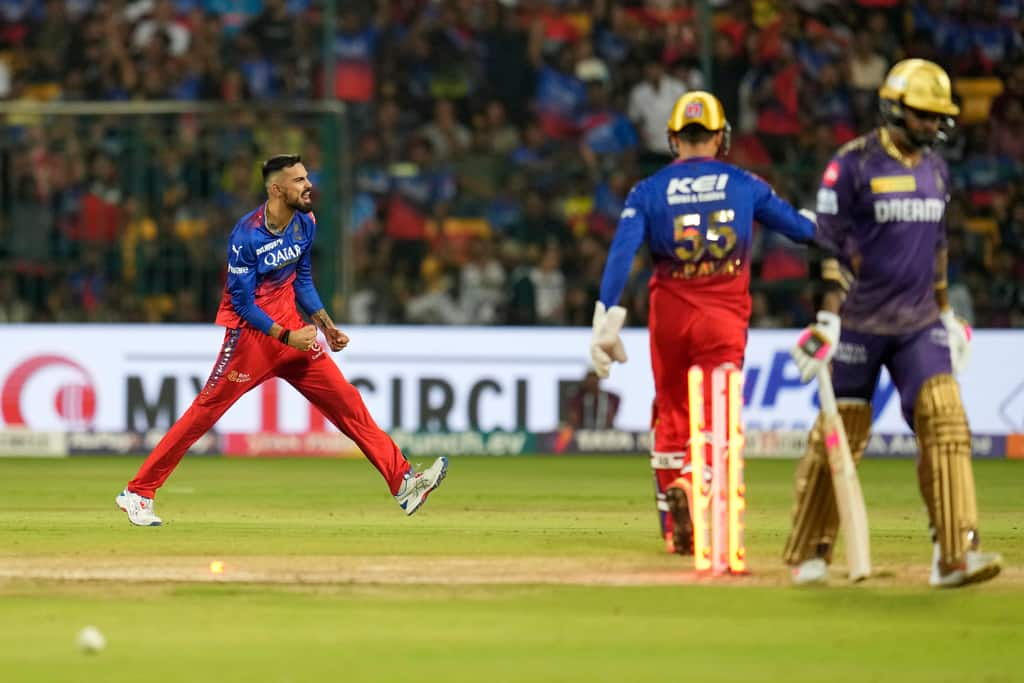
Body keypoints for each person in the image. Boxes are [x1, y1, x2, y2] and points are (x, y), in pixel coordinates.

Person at [115, 154, 448, 526]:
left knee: (348, 404)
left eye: (307, 178)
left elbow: (301, 279)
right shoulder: (246, 235)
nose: (308, 185)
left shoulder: (306, 222)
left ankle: (404, 483)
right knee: (202, 414)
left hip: (298, 338)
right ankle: (138, 492)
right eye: (299, 180)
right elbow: (241, 303)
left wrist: (325, 324)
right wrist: (287, 335)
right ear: (277, 189)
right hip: (252, 342)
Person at [784, 59, 1002, 587]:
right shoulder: (852, 165)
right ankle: (812, 550)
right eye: (923, 115)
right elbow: (828, 245)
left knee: (946, 422)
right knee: (840, 434)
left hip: (918, 322)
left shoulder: (936, 170)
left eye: (937, 116)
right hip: (858, 322)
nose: (932, 125)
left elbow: (939, 250)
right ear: (895, 108)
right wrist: (828, 320)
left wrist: (947, 314)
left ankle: (954, 555)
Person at [590, 91, 817, 555]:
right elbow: (800, 231)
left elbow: (621, 253)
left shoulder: (647, 190)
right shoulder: (745, 184)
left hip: (669, 315)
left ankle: (674, 528)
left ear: (673, 138)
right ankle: (695, 489)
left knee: (672, 410)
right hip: (723, 314)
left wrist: (605, 315)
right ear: (720, 136)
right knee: (717, 419)